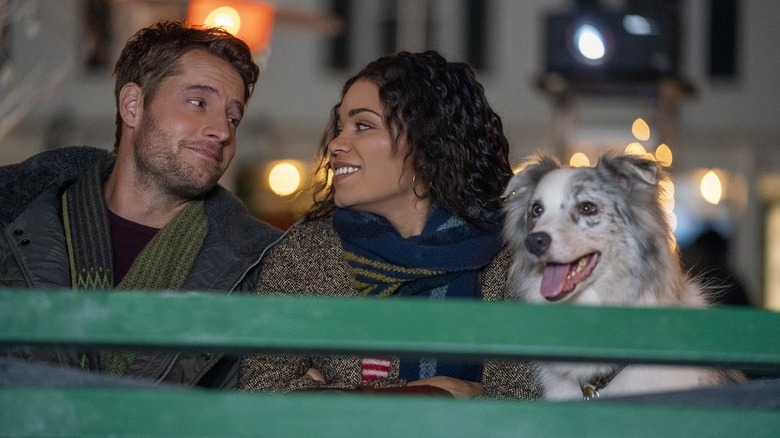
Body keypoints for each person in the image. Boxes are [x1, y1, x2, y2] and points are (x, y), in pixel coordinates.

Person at [239, 50, 540, 399]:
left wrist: (332, 394)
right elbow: (263, 392)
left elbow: (525, 402)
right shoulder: (307, 253)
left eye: (363, 126)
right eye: (339, 128)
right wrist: (425, 393)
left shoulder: (513, 257)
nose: (336, 144)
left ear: (429, 144)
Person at [0, 21, 281, 388]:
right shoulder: (14, 221)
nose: (223, 131)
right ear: (133, 106)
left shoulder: (261, 270)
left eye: (233, 117)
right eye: (198, 103)